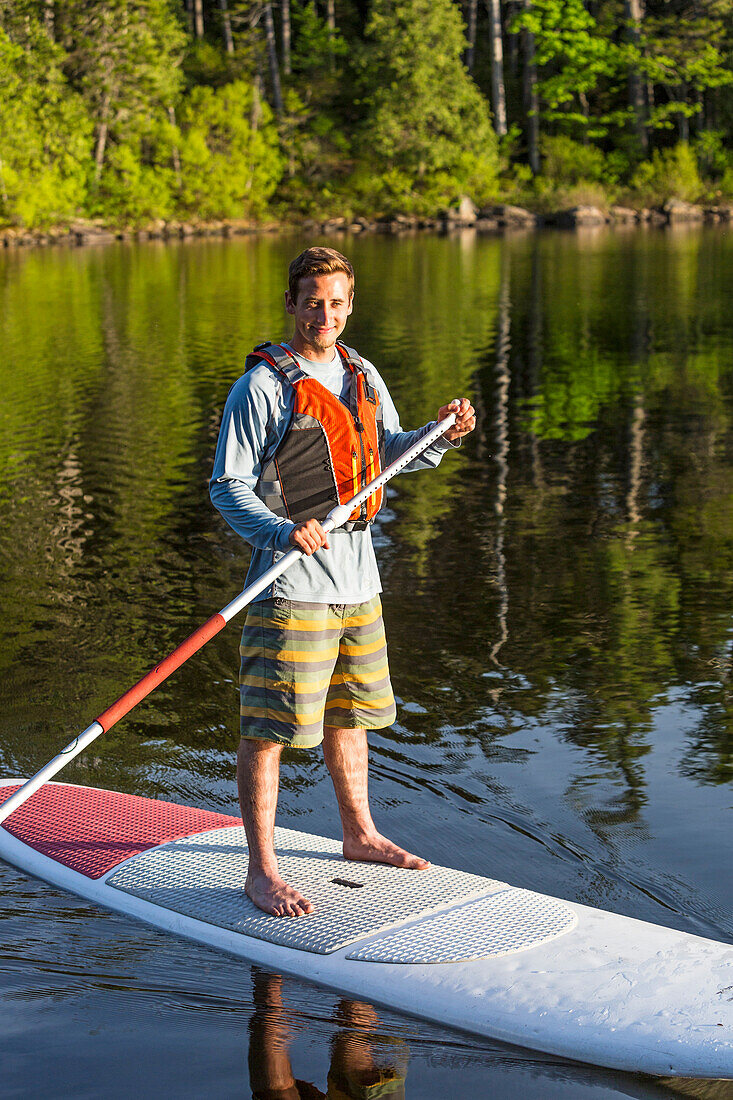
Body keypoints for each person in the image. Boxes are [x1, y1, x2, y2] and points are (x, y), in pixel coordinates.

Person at [210, 247, 475, 918]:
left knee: (350, 716)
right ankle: (261, 871)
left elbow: (388, 457)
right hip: (290, 585)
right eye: (311, 300)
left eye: (335, 301)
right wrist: (277, 531)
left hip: (359, 582)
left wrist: (440, 435)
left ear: (349, 306)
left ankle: (358, 835)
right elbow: (226, 487)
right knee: (269, 729)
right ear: (292, 303)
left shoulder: (361, 372)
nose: (323, 313)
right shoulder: (263, 388)